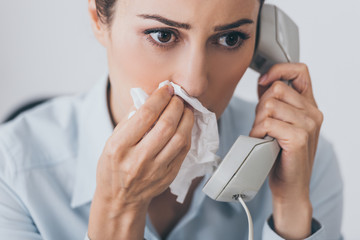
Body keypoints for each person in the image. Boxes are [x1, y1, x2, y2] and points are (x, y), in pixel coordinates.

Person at [0, 0, 343, 239]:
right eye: (163, 35)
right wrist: (119, 210)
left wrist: (291, 212)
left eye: (230, 38)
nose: (194, 83)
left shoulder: (301, 159)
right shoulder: (12, 175)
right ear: (97, 19)